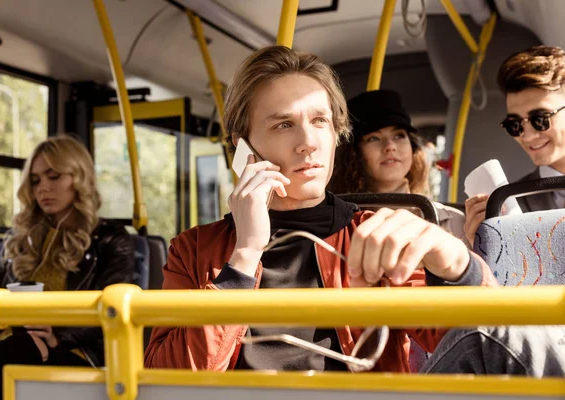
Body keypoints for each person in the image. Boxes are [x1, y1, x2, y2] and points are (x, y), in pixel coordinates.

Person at [144, 45, 565, 376]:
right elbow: (167, 379)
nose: (308, 142)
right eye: (283, 124)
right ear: (243, 147)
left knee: (512, 330)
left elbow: (469, 338)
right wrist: (245, 255)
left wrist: (457, 263)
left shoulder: (378, 234)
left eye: (320, 121)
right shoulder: (195, 249)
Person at [0, 135, 135, 400]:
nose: (43, 189)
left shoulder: (110, 239)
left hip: (72, 348)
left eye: (54, 177)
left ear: (79, 178)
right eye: (36, 180)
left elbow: (112, 308)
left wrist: (58, 337)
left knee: (18, 348)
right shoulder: (20, 238)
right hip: (7, 342)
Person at [328, 89, 467, 244]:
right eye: (374, 138)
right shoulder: (338, 226)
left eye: (399, 135)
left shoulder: (455, 221)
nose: (390, 146)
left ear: (413, 148)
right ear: (353, 154)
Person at [464, 45, 565, 246]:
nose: (527, 136)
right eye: (515, 124)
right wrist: (482, 249)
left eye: (540, 119)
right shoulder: (505, 203)